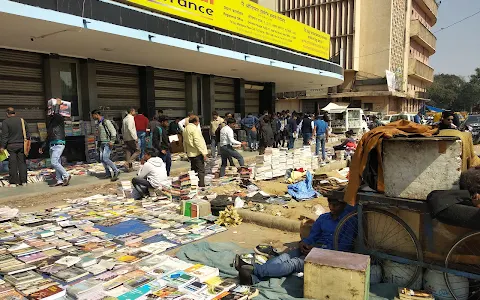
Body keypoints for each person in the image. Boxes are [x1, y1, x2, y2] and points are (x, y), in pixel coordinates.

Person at [235, 198, 356, 285]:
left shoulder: (348, 222)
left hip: (329, 255)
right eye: (330, 204)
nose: (332, 208)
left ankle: (254, 270)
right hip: (313, 248)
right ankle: (253, 279)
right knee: (285, 256)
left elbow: (343, 248)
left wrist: (317, 252)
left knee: (294, 263)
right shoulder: (323, 218)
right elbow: (313, 235)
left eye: (336, 205)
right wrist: (304, 243)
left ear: (344, 205)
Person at [40, 106, 71, 187]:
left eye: (49, 111)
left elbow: (57, 114)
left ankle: (66, 175)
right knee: (57, 162)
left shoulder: (59, 119)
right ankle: (59, 180)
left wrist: (57, 105)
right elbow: (48, 136)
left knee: (54, 162)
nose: (48, 113)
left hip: (58, 143)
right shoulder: (50, 123)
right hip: (52, 144)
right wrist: (43, 146)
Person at [0, 107, 29, 186]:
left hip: (11, 146)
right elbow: (27, 134)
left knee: (12, 164)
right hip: (22, 145)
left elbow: (4, 136)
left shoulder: (5, 122)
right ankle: (24, 181)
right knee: (22, 163)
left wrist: (2, 146)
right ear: (15, 113)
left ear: (7, 113)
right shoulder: (22, 121)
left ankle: (13, 182)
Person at [91, 110, 120, 181]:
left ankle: (116, 170)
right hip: (101, 143)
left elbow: (113, 132)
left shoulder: (106, 122)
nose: (92, 117)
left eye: (93, 115)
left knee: (105, 158)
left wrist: (112, 141)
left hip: (107, 143)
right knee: (102, 159)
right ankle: (108, 173)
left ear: (96, 114)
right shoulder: (98, 123)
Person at [183, 116, 207, 187]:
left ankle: (194, 185)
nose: (198, 123)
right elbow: (197, 142)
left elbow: (184, 142)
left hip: (190, 153)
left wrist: (186, 151)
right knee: (200, 170)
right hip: (197, 153)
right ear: (195, 122)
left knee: (193, 170)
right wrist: (204, 153)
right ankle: (201, 185)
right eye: (198, 121)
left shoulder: (185, 129)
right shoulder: (194, 129)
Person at [123, 108, 140, 172]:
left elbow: (123, 129)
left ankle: (130, 168)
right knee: (138, 151)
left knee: (128, 151)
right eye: (134, 111)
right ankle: (127, 163)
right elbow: (130, 128)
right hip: (131, 138)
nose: (135, 113)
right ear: (131, 111)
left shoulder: (124, 119)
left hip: (126, 138)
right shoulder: (130, 118)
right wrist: (135, 137)